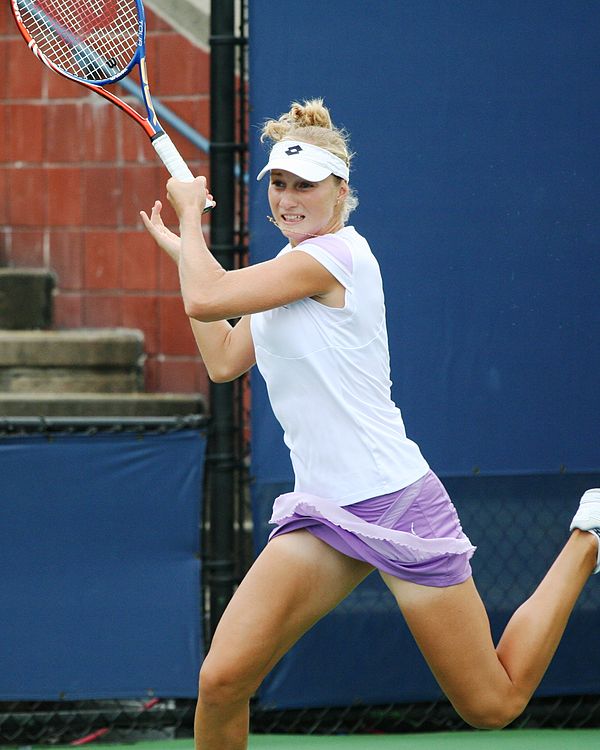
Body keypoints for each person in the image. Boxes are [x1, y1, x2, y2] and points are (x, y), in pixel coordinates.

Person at [141, 98, 600, 750]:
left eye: (306, 184)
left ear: (340, 193)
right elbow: (220, 357)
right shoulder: (282, 271)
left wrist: (190, 222)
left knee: (492, 704)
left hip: (394, 501)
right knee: (222, 680)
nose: (289, 197)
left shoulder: (335, 257)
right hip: (323, 511)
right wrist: (186, 254)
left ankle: (588, 534)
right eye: (279, 183)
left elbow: (208, 294)